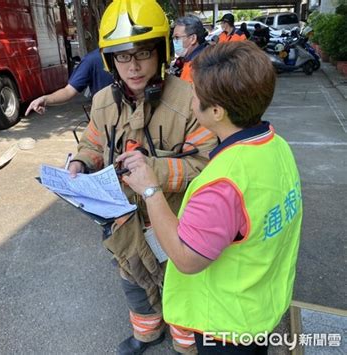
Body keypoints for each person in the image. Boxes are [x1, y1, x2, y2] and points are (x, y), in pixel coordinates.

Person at [120, 41, 302, 354]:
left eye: (195, 93)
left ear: (216, 111)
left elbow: (187, 259)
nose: (190, 97)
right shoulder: (276, 144)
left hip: (227, 327)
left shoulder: (223, 182)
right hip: (261, 306)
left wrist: (150, 189)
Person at [67, 1, 217, 354]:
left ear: (161, 52)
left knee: (182, 285)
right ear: (110, 61)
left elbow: (208, 164)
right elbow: (92, 142)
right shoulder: (104, 101)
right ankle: (146, 335)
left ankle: (186, 343)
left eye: (143, 53)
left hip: (173, 222)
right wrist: (79, 164)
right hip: (124, 221)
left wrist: (155, 171)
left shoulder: (190, 100)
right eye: (122, 57)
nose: (133, 67)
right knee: (132, 277)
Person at [25, 48, 113, 115]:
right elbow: (68, 91)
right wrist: (45, 99)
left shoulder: (93, 58)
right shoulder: (92, 60)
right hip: (105, 121)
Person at [172, 15, 208, 83]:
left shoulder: (200, 67)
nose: (174, 42)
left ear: (193, 39)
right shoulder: (190, 60)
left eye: (177, 37)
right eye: (173, 38)